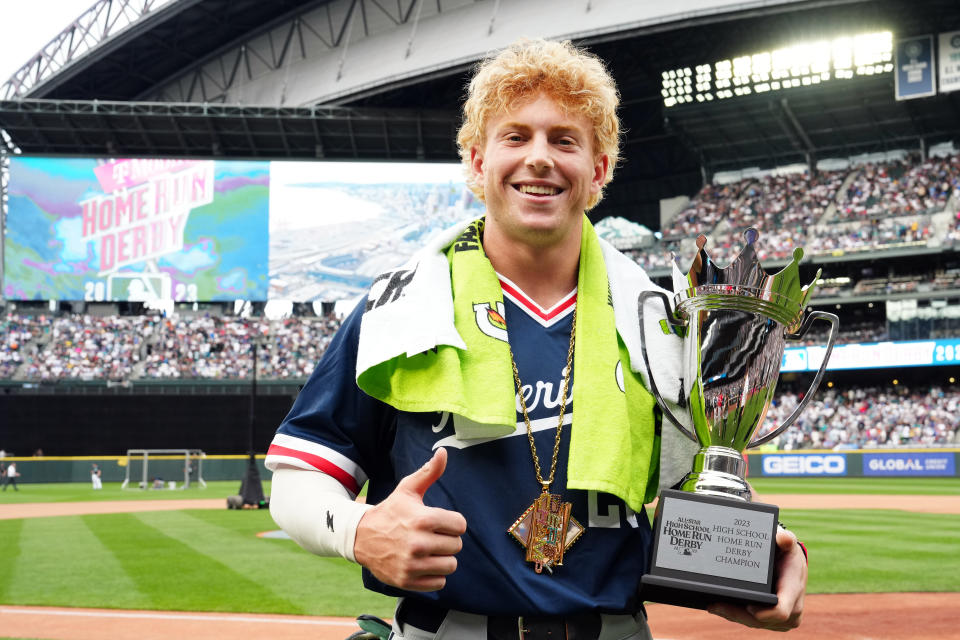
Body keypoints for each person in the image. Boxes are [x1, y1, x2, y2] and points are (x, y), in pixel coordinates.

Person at [267, 38, 806, 640]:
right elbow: (297, 478)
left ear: (598, 169)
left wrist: (764, 561)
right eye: (516, 137)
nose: (540, 158)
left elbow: (698, 497)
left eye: (564, 140)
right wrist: (359, 530)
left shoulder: (660, 320)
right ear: (476, 162)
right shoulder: (399, 308)